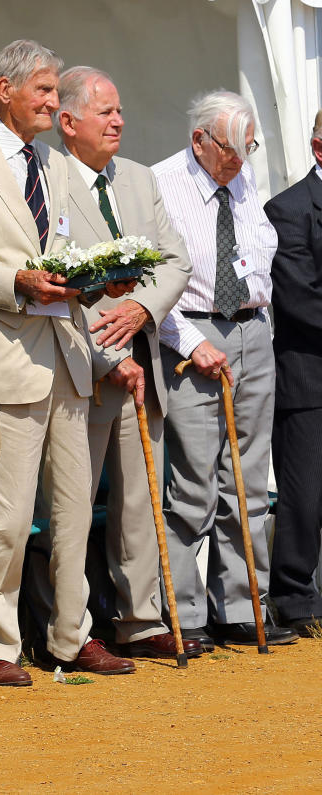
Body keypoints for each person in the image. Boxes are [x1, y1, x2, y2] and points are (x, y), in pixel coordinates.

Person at [0, 40, 135, 682]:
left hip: (71, 357)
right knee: (7, 515)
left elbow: (65, 247)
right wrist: (17, 281)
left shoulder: (55, 164)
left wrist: (97, 280)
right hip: (7, 358)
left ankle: (71, 637)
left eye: (55, 92)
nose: (54, 101)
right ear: (5, 90)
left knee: (76, 511)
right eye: (44, 91)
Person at [55, 66, 200, 658]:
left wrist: (141, 310)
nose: (119, 121)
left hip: (143, 359)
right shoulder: (45, 181)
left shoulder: (139, 179)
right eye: (105, 111)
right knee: (73, 500)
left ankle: (140, 620)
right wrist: (104, 351)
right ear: (68, 122)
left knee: (140, 497)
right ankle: (71, 628)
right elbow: (55, 278)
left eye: (120, 110)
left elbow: (176, 261)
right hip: (79, 364)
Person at [152, 90, 297, 648]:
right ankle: (183, 613)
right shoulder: (162, 181)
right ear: (200, 141)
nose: (240, 159)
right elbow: (153, 282)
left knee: (248, 480)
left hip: (252, 330)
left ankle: (241, 605)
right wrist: (189, 340)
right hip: (191, 328)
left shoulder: (243, 176)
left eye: (248, 147)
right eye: (231, 149)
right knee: (193, 480)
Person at [264, 109, 322, 636]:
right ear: (319, 148)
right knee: (304, 494)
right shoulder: (287, 209)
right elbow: (300, 297)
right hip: (309, 375)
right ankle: (293, 596)